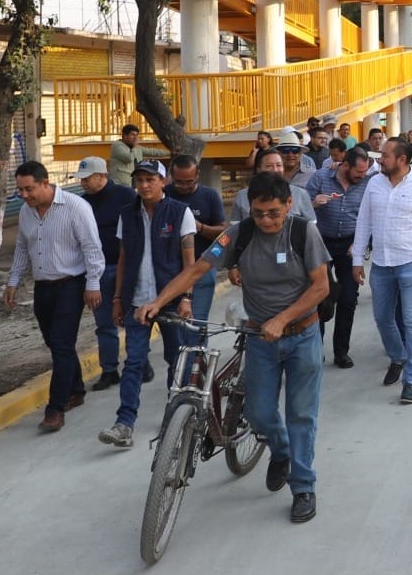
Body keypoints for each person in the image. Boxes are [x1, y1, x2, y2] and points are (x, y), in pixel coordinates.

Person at [141, 172, 330, 523]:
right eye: (259, 213)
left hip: (302, 335)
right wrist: (158, 301)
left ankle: (303, 486)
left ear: (289, 205)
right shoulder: (238, 234)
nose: (267, 220)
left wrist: (283, 318)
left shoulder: (304, 232)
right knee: (258, 413)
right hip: (260, 339)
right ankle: (281, 450)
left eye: (274, 212)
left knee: (301, 414)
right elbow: (197, 269)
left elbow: (320, 287)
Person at [97, 160, 196, 449]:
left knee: (175, 360)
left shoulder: (180, 213)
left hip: (171, 302)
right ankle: (124, 424)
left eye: (150, 179)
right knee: (134, 362)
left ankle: (174, 417)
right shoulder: (127, 215)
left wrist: (186, 298)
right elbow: (124, 258)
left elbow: (190, 263)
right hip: (137, 302)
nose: (144, 185)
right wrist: (117, 300)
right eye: (139, 180)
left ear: (163, 182)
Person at [5, 161, 107, 433]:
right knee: (55, 343)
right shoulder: (27, 213)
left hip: (70, 285)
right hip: (43, 288)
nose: (24, 196)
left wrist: (93, 284)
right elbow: (22, 249)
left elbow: (92, 248)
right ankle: (75, 389)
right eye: (20, 191)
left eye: (29, 189)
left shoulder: (75, 207)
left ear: (45, 182)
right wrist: (13, 280)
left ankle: (55, 408)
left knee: (61, 344)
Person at [352, 138, 412, 405]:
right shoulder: (374, 184)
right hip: (381, 264)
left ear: (402, 160)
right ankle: (398, 356)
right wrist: (357, 260)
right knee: (382, 318)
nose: (380, 159)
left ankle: (411, 380)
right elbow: (363, 223)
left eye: (385, 155)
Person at [306, 147, 372, 368]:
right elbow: (301, 206)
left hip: (349, 245)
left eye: (364, 172)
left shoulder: (367, 184)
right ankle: (315, 350)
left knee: (348, 299)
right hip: (320, 243)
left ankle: (341, 351)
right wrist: (315, 202)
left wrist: (361, 242)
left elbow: (370, 215)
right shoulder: (320, 177)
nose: (361, 176)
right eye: (358, 172)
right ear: (345, 165)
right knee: (319, 297)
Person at [78, 156, 138, 391]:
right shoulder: (82, 204)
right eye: (80, 179)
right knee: (104, 323)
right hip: (97, 271)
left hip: (126, 268)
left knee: (133, 320)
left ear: (102, 176)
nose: (82, 183)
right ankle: (110, 370)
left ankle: (138, 364)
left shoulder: (127, 197)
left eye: (87, 178)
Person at [165, 154, 226, 325]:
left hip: (201, 267)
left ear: (197, 175)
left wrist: (199, 227)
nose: (184, 186)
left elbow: (223, 231)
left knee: (196, 323)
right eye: (179, 182)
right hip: (170, 267)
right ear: (171, 176)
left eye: (189, 182)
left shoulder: (209, 196)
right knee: (174, 325)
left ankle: (197, 352)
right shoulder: (164, 194)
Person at [230, 149, 316, 223]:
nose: (275, 170)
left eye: (278, 165)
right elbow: (235, 227)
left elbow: (311, 225)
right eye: (269, 166)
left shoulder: (300, 194)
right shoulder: (242, 195)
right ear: (258, 169)